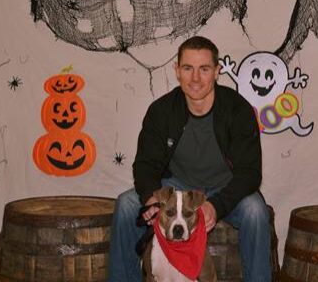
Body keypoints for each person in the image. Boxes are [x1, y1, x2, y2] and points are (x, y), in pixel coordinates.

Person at [107, 36, 271, 282]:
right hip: (177, 189)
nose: (195, 78)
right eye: (188, 68)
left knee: (256, 212)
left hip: (226, 188)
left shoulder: (238, 110)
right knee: (126, 204)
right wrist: (151, 195)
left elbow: (250, 173)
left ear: (216, 71)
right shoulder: (161, 111)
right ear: (177, 71)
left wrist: (216, 205)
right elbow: (145, 165)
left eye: (204, 69)